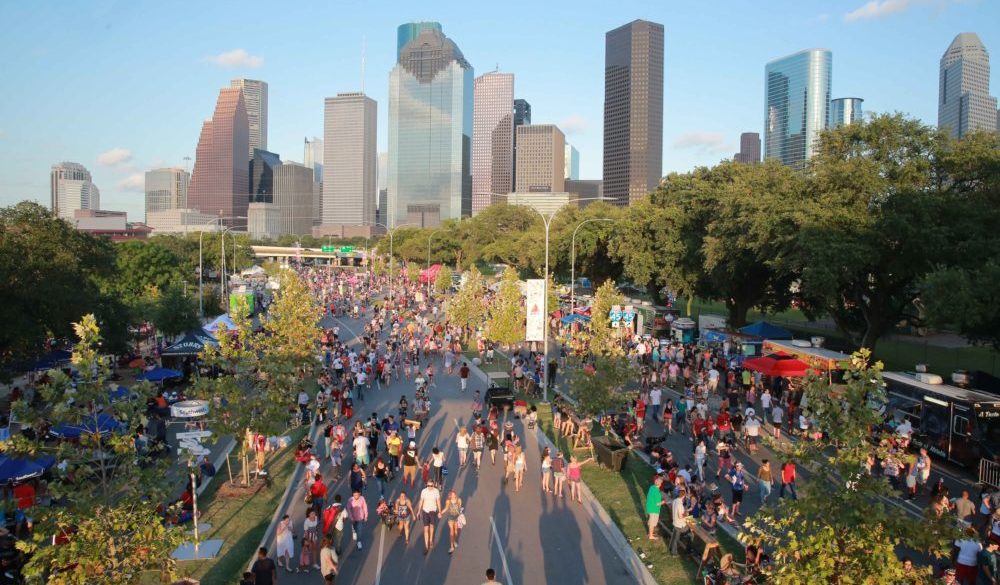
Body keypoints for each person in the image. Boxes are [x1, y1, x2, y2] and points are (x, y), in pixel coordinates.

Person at [419, 480, 442, 555]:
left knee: (432, 526)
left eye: (431, 485)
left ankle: (431, 540)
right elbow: (421, 501)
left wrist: (440, 511)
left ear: (433, 485)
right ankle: (426, 546)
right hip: (425, 511)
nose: (430, 487)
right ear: (427, 485)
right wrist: (419, 511)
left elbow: (438, 501)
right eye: (428, 485)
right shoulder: (424, 491)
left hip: (433, 511)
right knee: (426, 529)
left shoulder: (436, 491)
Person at [669, 488, 689, 557]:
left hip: (675, 522)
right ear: (683, 496)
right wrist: (686, 514)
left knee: (674, 537)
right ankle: (674, 553)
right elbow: (680, 516)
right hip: (680, 525)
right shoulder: (680, 505)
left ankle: (671, 548)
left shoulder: (675, 500)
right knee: (689, 532)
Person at [443, 490, 464, 554]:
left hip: (456, 517)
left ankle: (454, 541)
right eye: (452, 495)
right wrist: (441, 513)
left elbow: (460, 508)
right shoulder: (448, 501)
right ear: (450, 496)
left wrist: (461, 515)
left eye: (454, 494)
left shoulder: (459, 500)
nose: (454, 495)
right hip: (450, 518)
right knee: (451, 530)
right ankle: (451, 546)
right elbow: (446, 508)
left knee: (456, 531)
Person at [646, 475, 665, 540]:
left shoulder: (652, 487)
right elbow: (657, 503)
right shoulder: (657, 492)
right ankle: (651, 536)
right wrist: (663, 502)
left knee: (650, 521)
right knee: (652, 523)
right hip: (654, 509)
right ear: (660, 484)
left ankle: (650, 533)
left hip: (649, 507)